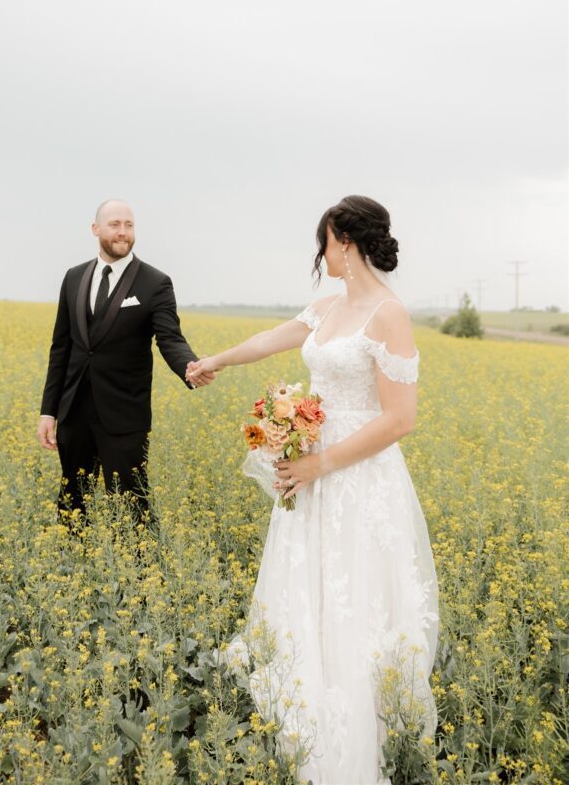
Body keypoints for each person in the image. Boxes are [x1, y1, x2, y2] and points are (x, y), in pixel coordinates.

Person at [186, 195, 439, 785]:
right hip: (311, 470)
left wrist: (320, 463)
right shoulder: (328, 306)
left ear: (345, 241)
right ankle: (302, 703)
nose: (318, 252)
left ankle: (354, 737)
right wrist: (214, 361)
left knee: (355, 596)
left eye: (323, 241)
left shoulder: (388, 314)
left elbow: (400, 419)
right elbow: (274, 338)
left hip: (355, 475)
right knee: (308, 587)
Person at [37, 198, 214, 521]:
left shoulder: (154, 282)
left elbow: (169, 338)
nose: (123, 233)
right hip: (74, 410)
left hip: (123, 414)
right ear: (95, 229)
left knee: (133, 505)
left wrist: (189, 367)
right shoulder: (73, 278)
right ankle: (73, 561)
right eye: (115, 225)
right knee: (72, 500)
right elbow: (60, 348)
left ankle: (142, 570)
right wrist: (49, 411)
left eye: (129, 225)